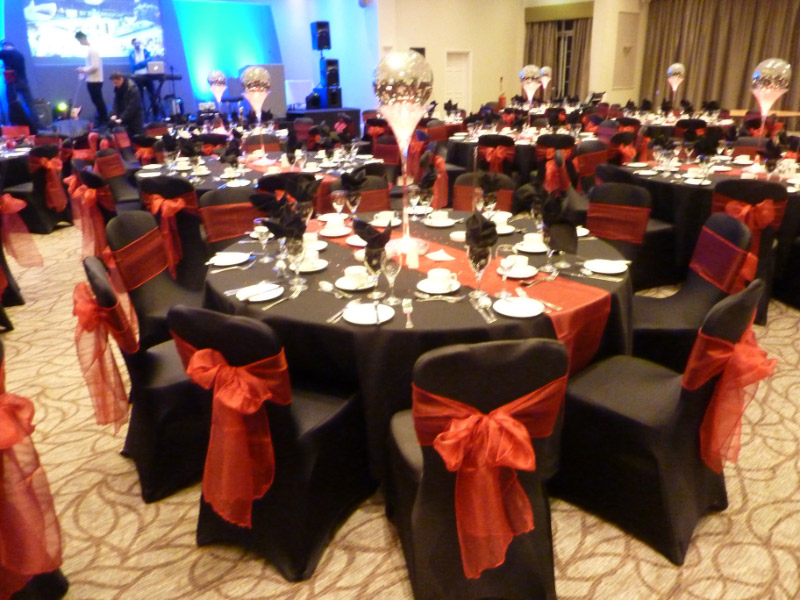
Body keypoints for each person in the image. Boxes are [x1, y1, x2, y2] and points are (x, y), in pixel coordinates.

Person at [0, 40, 40, 132]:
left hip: (13, 82)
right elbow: (13, 65)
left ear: (6, 46)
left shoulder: (6, 52)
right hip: (23, 81)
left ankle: (14, 123)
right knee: (30, 104)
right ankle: (37, 123)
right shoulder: (19, 54)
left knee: (12, 103)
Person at [75, 31, 108, 127]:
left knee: (98, 102)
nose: (80, 43)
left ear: (83, 38)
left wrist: (83, 70)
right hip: (92, 80)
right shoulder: (91, 49)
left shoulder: (93, 50)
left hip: (95, 80)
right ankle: (102, 120)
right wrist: (84, 69)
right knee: (97, 101)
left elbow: (95, 66)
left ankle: (104, 121)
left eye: (79, 40)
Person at [128, 38, 159, 119]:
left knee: (153, 95)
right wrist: (143, 63)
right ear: (133, 44)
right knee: (139, 97)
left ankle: (156, 115)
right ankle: (142, 116)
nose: (137, 44)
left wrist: (140, 63)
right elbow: (133, 66)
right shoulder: (132, 54)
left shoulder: (145, 51)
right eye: (135, 43)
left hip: (147, 75)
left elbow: (149, 61)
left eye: (138, 42)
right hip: (137, 77)